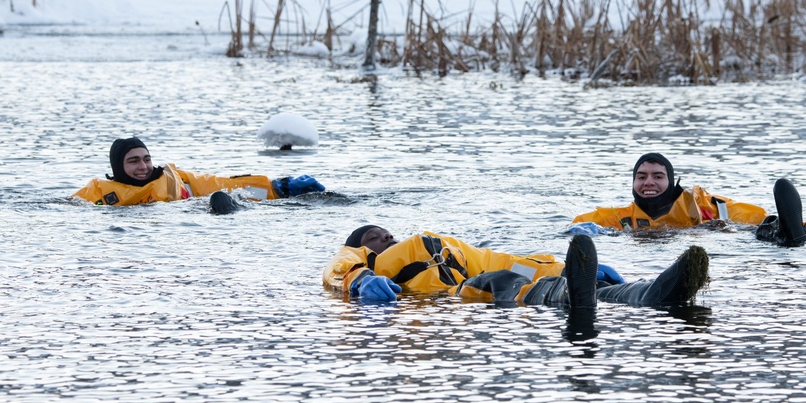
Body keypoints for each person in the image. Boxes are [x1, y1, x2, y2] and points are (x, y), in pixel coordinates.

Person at [322, 225, 710, 307]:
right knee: (499, 281)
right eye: (376, 236)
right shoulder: (362, 260)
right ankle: (573, 292)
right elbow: (336, 271)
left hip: (479, 279)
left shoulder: (445, 247)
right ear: (361, 245)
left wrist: (558, 266)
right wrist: (358, 283)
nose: (386, 239)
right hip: (455, 295)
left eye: (389, 234)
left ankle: (644, 292)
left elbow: (507, 260)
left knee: (510, 274)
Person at [570, 153, 806, 246]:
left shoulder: (699, 202)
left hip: (741, 237)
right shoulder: (622, 217)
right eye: (641, 177)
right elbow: (581, 225)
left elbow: (746, 215)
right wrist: (589, 232)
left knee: (765, 229)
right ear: (633, 183)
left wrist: (774, 221)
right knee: (780, 236)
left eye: (657, 176)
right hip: (745, 242)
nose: (649, 182)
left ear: (670, 180)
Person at [72, 136, 325, 209]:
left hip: (190, 214)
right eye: (134, 161)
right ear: (119, 167)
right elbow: (65, 208)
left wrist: (278, 186)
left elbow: (221, 182)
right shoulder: (100, 191)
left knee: (219, 199)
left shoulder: (172, 177)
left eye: (147, 159)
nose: (143, 167)